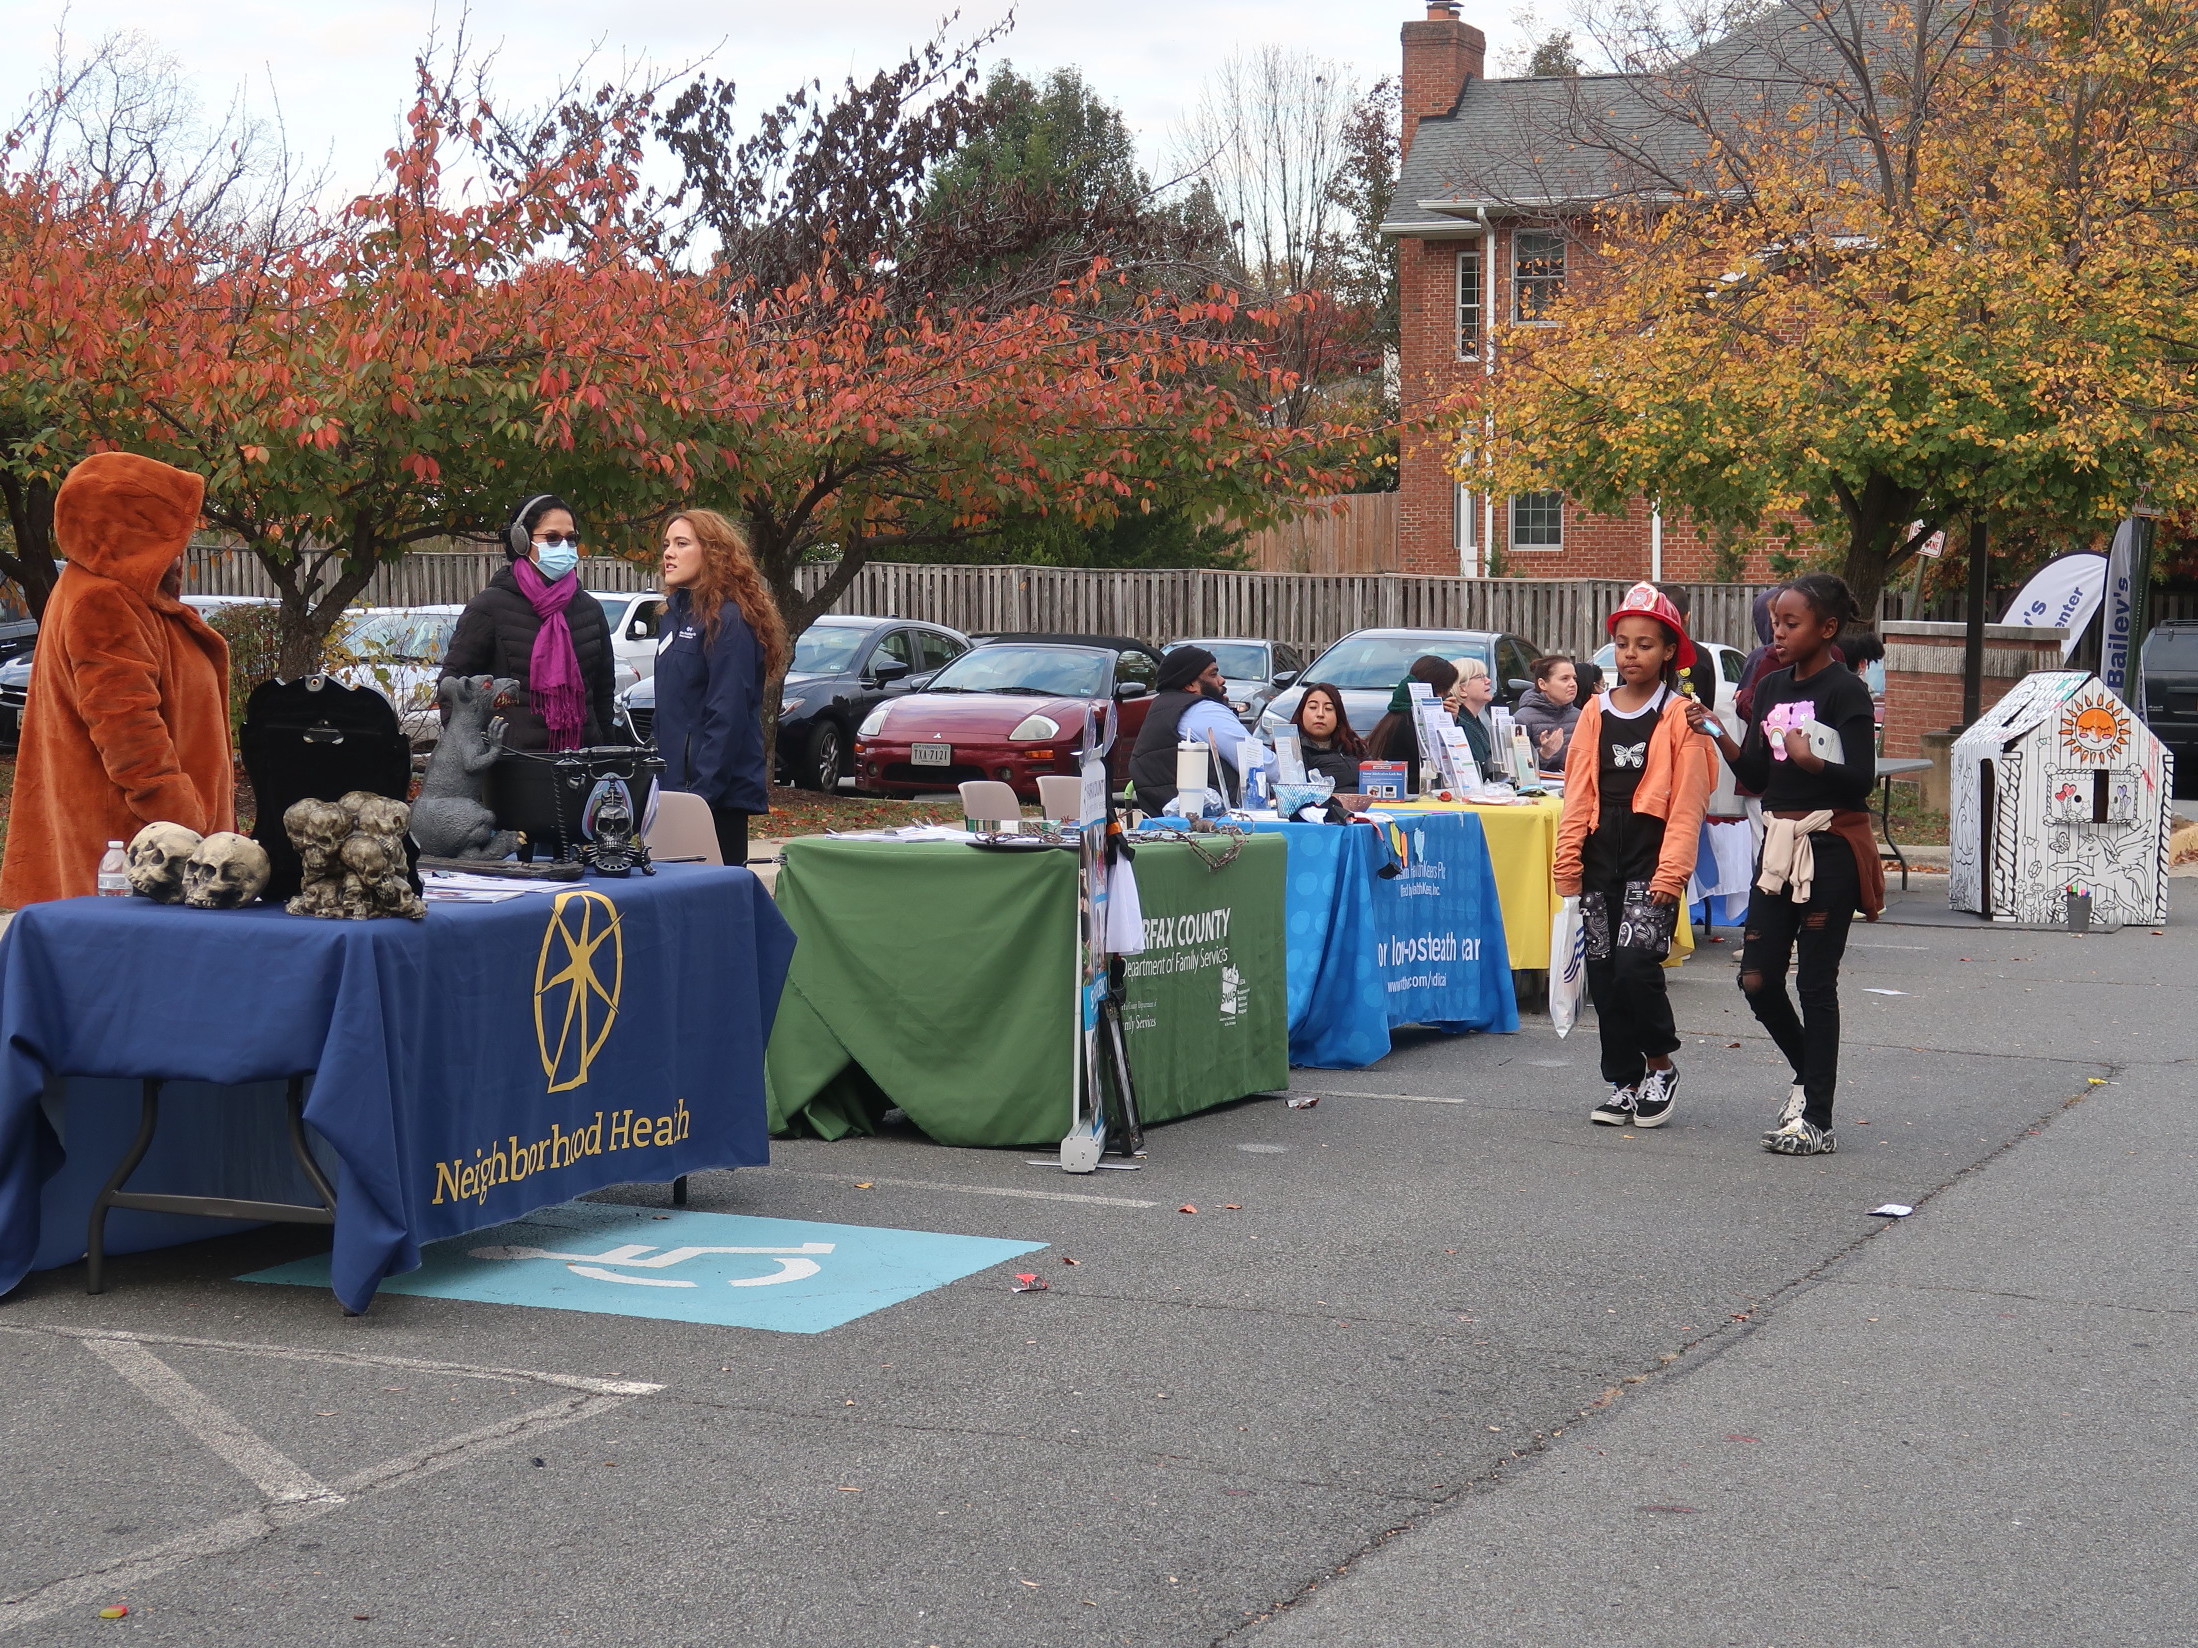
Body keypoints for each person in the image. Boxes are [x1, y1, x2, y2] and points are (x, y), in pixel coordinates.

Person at [1687, 574, 1882, 1157]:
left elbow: (1860, 780)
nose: (1778, 631)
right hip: (1777, 847)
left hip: (1828, 847)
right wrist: (1718, 732)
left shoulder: (1846, 691)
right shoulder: (1769, 687)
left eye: (1791, 623)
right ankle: (1810, 1074)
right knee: (1757, 979)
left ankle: (1817, 1120)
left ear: (1826, 629)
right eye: (1775, 621)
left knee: (1815, 982)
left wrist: (1815, 763)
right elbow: (1757, 774)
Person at [0, 453, 235, 907]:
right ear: (135, 532)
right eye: (170, 534)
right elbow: (129, 732)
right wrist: (186, 831)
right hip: (140, 855)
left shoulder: (104, 592)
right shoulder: (105, 600)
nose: (181, 550)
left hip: (142, 841)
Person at [1552, 583, 1716, 1131]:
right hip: (1601, 857)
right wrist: (1568, 861)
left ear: (1669, 651)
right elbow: (1577, 791)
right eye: (1623, 643)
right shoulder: (1594, 711)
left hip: (1652, 858)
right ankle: (1623, 1082)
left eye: (1645, 644)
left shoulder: (1681, 716)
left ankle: (1661, 1067)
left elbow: (1689, 803)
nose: (1631, 654)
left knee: (1635, 969)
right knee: (1602, 973)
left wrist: (1673, 872)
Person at [650, 509, 789, 869]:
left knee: (712, 909)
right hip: (672, 793)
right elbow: (670, 709)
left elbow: (727, 716)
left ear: (712, 553)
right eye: (667, 544)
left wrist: (699, 798)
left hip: (713, 800)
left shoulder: (729, 621)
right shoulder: (672, 617)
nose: (669, 553)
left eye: (682, 544)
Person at [439, 493, 618, 751]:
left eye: (571, 538)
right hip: (512, 769)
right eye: (552, 537)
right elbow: (452, 686)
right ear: (521, 541)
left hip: (581, 761)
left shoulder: (589, 610)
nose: (564, 546)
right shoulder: (489, 607)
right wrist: (475, 749)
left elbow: (602, 695)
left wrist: (606, 753)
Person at [1129, 646, 1246, 812]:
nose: (1221, 680)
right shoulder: (1202, 710)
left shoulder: (1162, 707)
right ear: (1191, 684)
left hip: (1165, 820)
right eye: (1213, 674)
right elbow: (1257, 761)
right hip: (1215, 821)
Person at [1366, 655, 1459, 774]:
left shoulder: (1396, 716)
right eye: (1447, 690)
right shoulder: (1413, 722)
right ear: (1439, 691)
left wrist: (1451, 720)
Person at [1288, 682, 1366, 791]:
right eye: (1313, 707)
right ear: (1301, 713)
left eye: (1328, 708)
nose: (1320, 714)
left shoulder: (1352, 745)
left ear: (1338, 716)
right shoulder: (1294, 750)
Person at [1514, 654, 1581, 771]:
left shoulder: (1581, 716)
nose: (1572, 684)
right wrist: (1544, 754)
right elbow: (1517, 769)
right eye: (1564, 678)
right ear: (1542, 684)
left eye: (1574, 678)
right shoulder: (1522, 719)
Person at [1447, 656, 1497, 770]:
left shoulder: (1473, 721)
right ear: (1461, 688)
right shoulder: (1460, 723)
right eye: (1480, 677)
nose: (1488, 681)